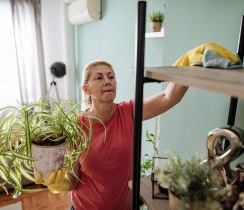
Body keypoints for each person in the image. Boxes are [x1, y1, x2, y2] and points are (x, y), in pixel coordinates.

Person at [64, 60, 188, 210]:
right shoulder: (76, 126)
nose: (107, 81)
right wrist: (57, 181)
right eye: (99, 78)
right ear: (86, 89)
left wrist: (189, 69)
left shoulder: (128, 111)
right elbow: (72, 181)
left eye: (111, 77)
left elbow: (167, 97)